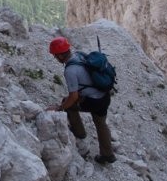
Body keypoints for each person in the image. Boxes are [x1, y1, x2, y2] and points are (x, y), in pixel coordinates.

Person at [47, 36, 116, 164]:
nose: (55, 58)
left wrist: (60, 108)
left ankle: (79, 133)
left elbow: (73, 97)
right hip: (104, 96)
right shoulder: (80, 55)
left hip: (93, 101)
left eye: (55, 55)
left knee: (67, 103)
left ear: (61, 55)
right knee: (101, 123)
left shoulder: (70, 70)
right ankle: (108, 154)